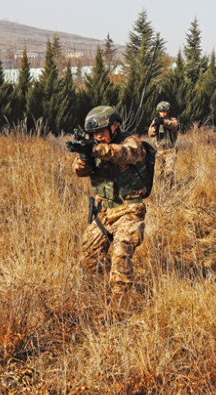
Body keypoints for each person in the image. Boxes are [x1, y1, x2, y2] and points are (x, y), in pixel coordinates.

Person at [73, 105, 149, 293]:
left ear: (114, 125)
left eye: (100, 131)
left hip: (129, 210)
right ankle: (103, 294)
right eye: (93, 133)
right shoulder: (94, 147)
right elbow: (78, 171)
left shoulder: (132, 143)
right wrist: (84, 155)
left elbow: (122, 154)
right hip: (104, 213)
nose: (97, 136)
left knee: (121, 255)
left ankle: (120, 304)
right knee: (89, 258)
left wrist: (96, 149)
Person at [148, 100, 179, 187]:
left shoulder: (172, 119)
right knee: (158, 172)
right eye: (161, 112)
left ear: (168, 111)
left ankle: (169, 189)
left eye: (164, 111)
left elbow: (175, 126)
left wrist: (163, 122)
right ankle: (159, 191)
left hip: (170, 150)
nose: (163, 113)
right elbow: (150, 134)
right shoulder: (156, 120)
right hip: (159, 150)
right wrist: (155, 127)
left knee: (169, 171)